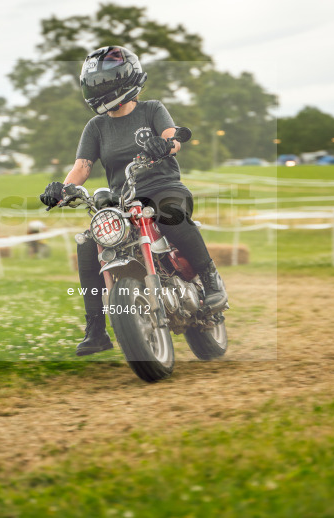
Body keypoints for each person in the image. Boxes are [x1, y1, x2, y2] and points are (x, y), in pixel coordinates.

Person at [39, 45, 228, 356]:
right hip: (124, 200)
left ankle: (211, 279)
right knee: (88, 243)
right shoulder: (96, 127)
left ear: (123, 79)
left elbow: (174, 137)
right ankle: (96, 330)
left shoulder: (151, 109)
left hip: (164, 187)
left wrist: (165, 144)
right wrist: (62, 188)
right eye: (93, 83)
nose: (97, 89)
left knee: (170, 215)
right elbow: (83, 166)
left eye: (102, 82)